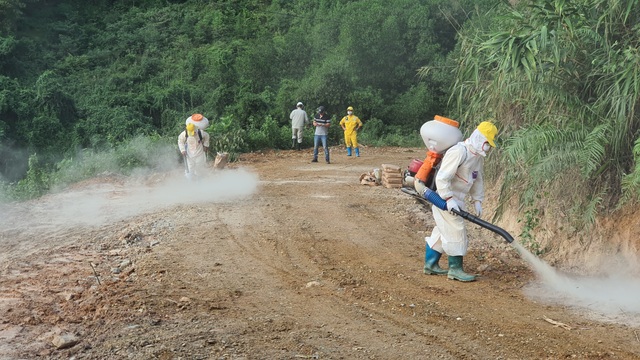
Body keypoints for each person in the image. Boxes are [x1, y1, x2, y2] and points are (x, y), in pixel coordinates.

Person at [420, 121, 498, 282]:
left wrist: (477, 200)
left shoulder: (476, 157)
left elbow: (477, 179)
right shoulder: (458, 152)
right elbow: (442, 177)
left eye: (489, 145)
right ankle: (455, 269)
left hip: (457, 200)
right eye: (486, 143)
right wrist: (448, 198)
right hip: (443, 199)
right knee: (456, 230)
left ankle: (430, 265)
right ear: (478, 138)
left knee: (443, 232)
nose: (487, 148)